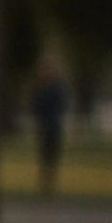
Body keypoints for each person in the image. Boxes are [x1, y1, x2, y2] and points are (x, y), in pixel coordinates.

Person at [30, 57, 68, 196]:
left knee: (51, 157)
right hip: (44, 127)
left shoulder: (56, 89)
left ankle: (49, 185)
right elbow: (34, 106)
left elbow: (62, 106)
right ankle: (44, 185)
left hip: (53, 127)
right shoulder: (39, 89)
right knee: (44, 157)